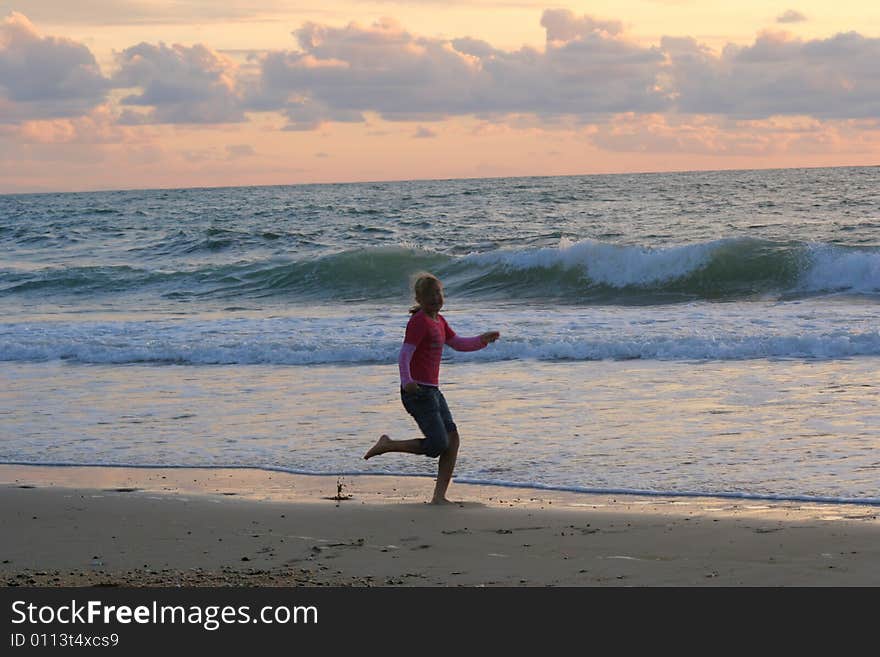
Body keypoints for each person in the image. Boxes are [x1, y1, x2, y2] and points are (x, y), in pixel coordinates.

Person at [364, 272, 500, 504]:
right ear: (419, 298)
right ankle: (388, 444)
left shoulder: (439, 321)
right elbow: (404, 354)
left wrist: (482, 340)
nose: (436, 298)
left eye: (439, 293)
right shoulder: (419, 322)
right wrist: (407, 381)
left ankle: (439, 497)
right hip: (417, 392)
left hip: (433, 391)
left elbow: (457, 343)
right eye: (430, 295)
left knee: (452, 438)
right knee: (438, 444)